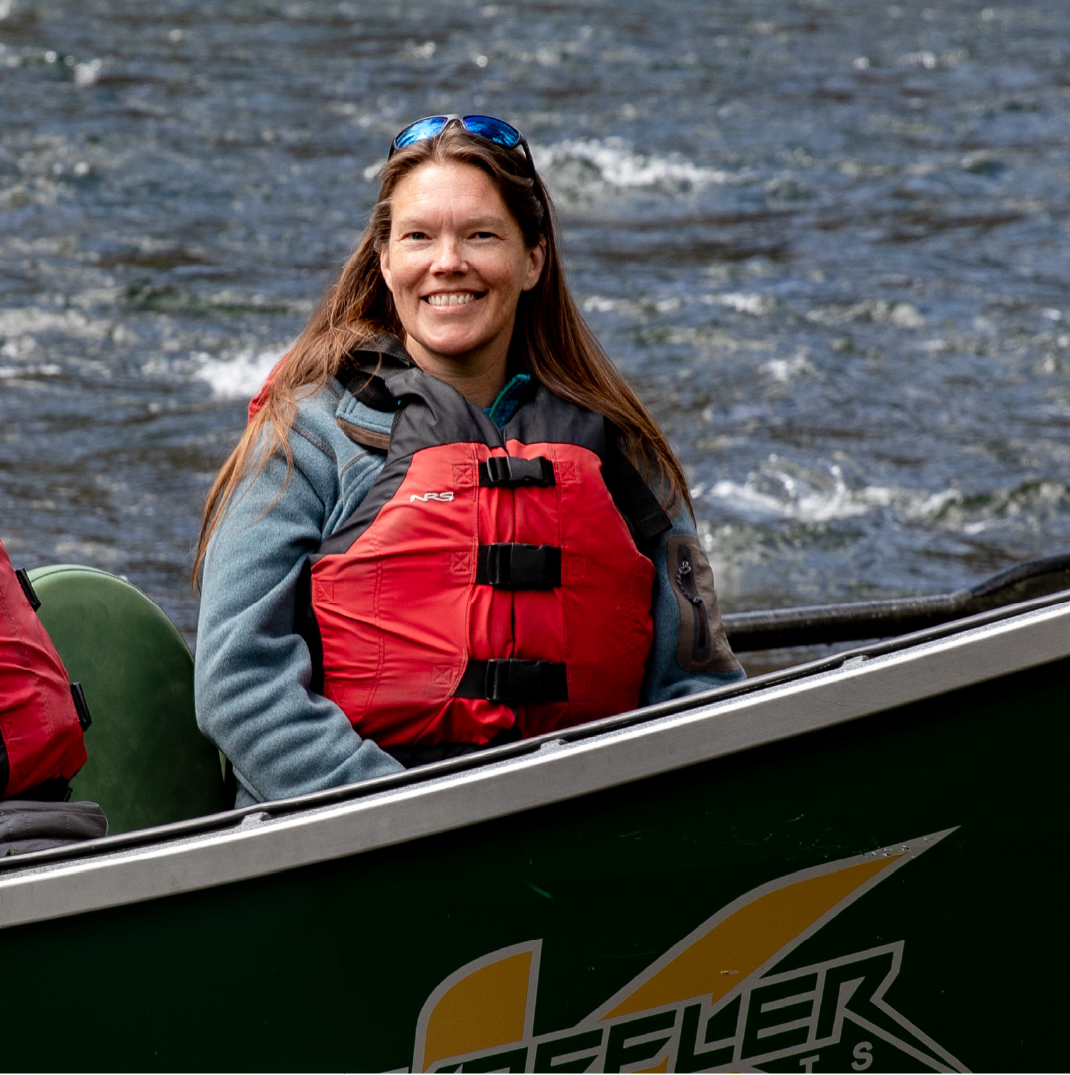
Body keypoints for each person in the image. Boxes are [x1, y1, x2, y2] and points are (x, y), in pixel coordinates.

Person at [194, 114, 743, 808]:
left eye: (480, 234)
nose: (446, 261)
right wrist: (400, 816)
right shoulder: (305, 437)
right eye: (419, 236)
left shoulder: (621, 450)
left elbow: (698, 679)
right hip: (356, 834)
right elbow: (237, 682)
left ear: (533, 258)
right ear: (386, 259)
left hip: (577, 824)